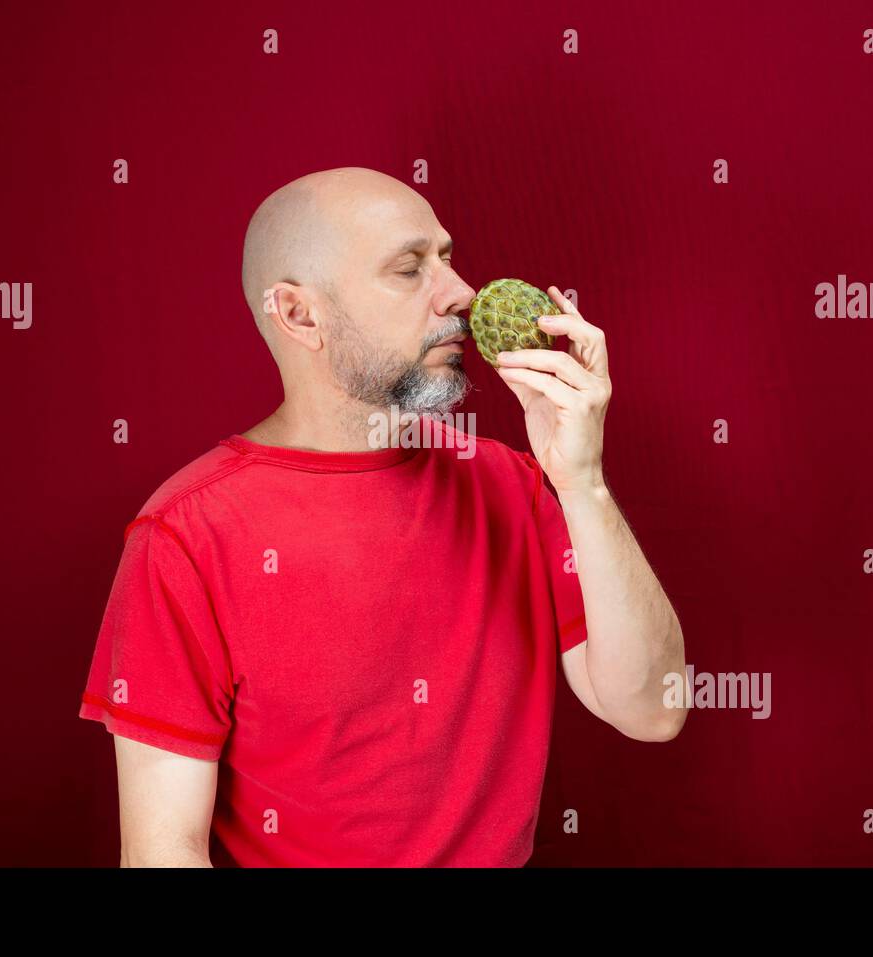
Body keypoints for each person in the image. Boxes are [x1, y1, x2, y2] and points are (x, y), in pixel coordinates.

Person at [77, 166, 686, 867]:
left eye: (448, 258)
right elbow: (163, 851)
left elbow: (653, 709)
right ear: (301, 316)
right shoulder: (186, 536)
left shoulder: (513, 484)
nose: (462, 294)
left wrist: (583, 483)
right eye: (409, 268)